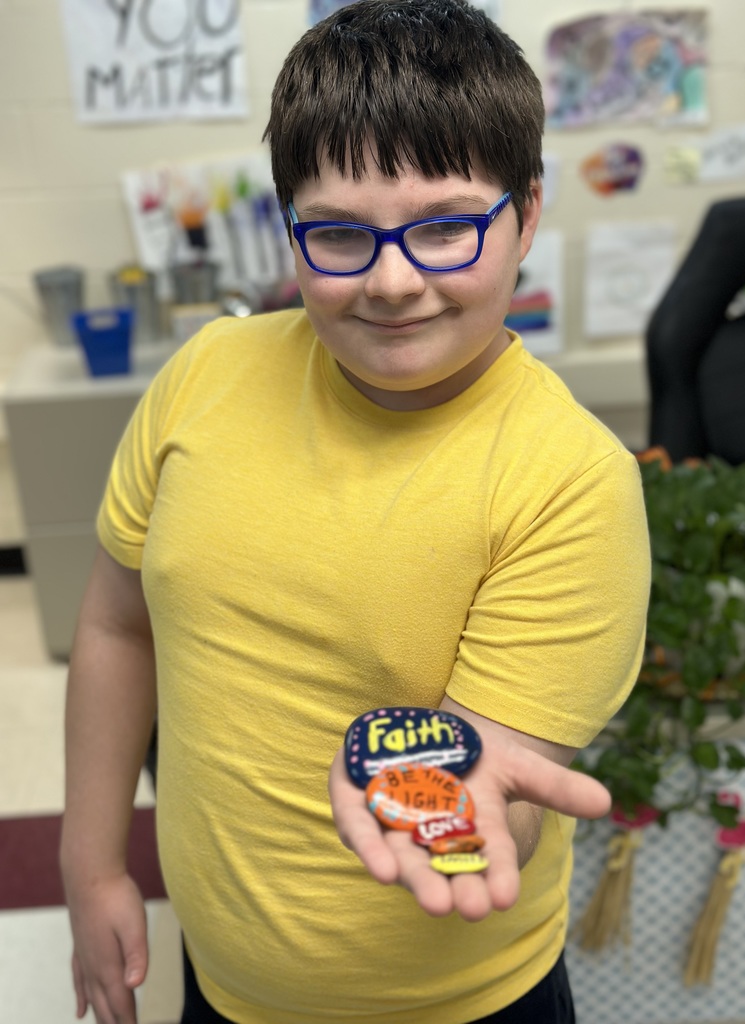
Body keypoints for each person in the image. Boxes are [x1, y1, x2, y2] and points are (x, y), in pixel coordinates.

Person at [60, 2, 651, 1023]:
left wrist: (453, 799)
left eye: (447, 226)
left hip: (460, 1002)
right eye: (338, 233)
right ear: (289, 226)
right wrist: (91, 862)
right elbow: (119, 625)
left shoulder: (569, 482)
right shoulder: (206, 372)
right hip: (220, 981)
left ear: (527, 215)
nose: (392, 281)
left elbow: (495, 784)